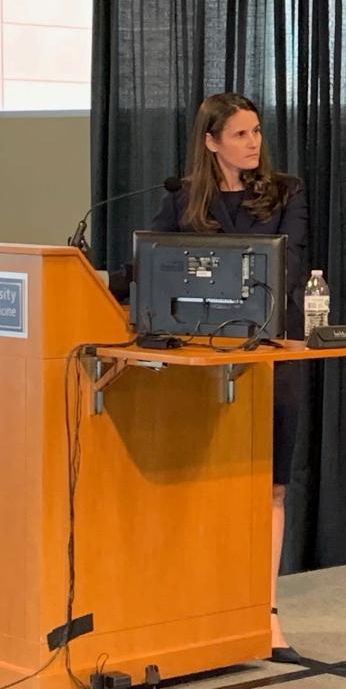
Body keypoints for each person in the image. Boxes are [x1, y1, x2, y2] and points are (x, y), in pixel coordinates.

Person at [110, 93, 308, 663]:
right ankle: (198, 612)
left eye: (256, 132)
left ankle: (266, 616)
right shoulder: (183, 199)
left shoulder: (286, 191)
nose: (253, 143)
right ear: (211, 142)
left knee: (271, 484)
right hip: (199, 358)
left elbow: (288, 262)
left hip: (271, 351)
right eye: (241, 134)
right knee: (203, 479)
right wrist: (99, 282)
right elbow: (148, 264)